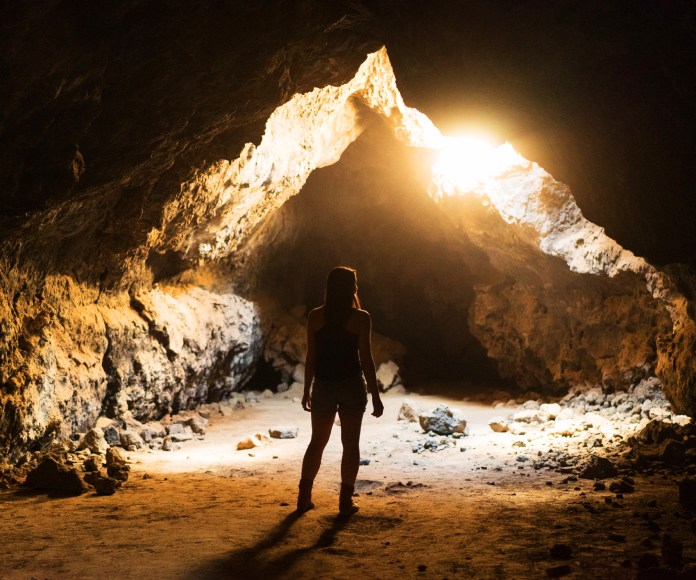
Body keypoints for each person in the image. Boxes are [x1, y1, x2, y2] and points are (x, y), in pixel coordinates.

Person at [297, 266, 384, 515]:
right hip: (351, 386)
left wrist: (307, 389)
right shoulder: (361, 318)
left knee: (317, 442)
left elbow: (311, 357)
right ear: (351, 288)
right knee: (350, 444)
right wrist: (375, 396)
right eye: (355, 283)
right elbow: (366, 360)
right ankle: (345, 502)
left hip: (323, 385)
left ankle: (303, 498)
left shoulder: (315, 317)